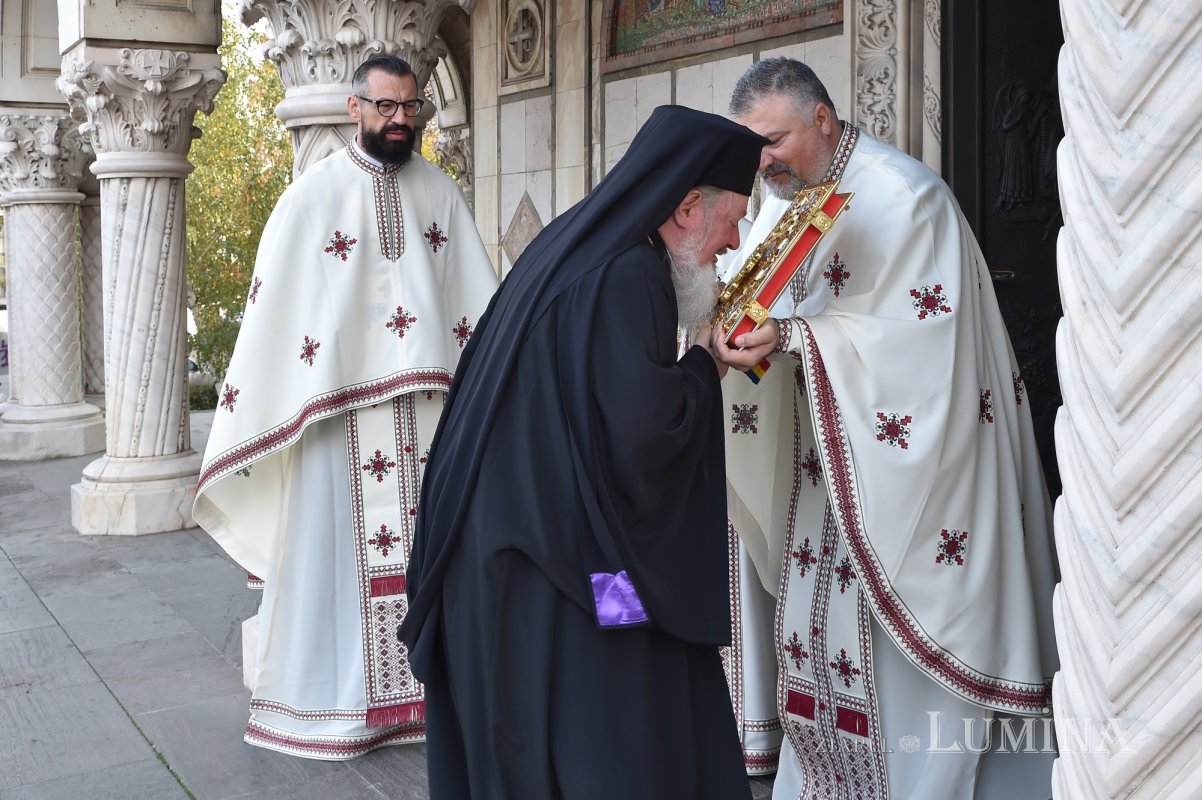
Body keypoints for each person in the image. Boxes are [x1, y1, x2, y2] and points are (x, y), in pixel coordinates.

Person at [397, 105, 767, 799]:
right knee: (631, 667)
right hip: (555, 567)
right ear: (689, 207)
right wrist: (706, 369)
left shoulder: (586, 246)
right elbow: (642, 441)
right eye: (733, 219)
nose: (734, 240)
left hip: (513, 548)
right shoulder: (630, 275)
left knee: (628, 677)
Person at [715, 59, 1060, 798]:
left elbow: (922, 345)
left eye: (772, 141)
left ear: (823, 121)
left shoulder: (907, 198)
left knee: (899, 669)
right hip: (824, 472)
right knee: (820, 651)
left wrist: (800, 341)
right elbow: (751, 299)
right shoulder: (781, 201)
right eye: (752, 147)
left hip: (917, 478)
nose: (761, 161)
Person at [192, 54, 498, 760]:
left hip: (426, 417)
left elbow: (475, 306)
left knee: (434, 556)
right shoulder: (310, 198)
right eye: (385, 107)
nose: (399, 120)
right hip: (337, 420)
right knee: (334, 566)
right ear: (354, 109)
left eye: (409, 107)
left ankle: (428, 697)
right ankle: (338, 706)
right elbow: (277, 315)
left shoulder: (441, 193)